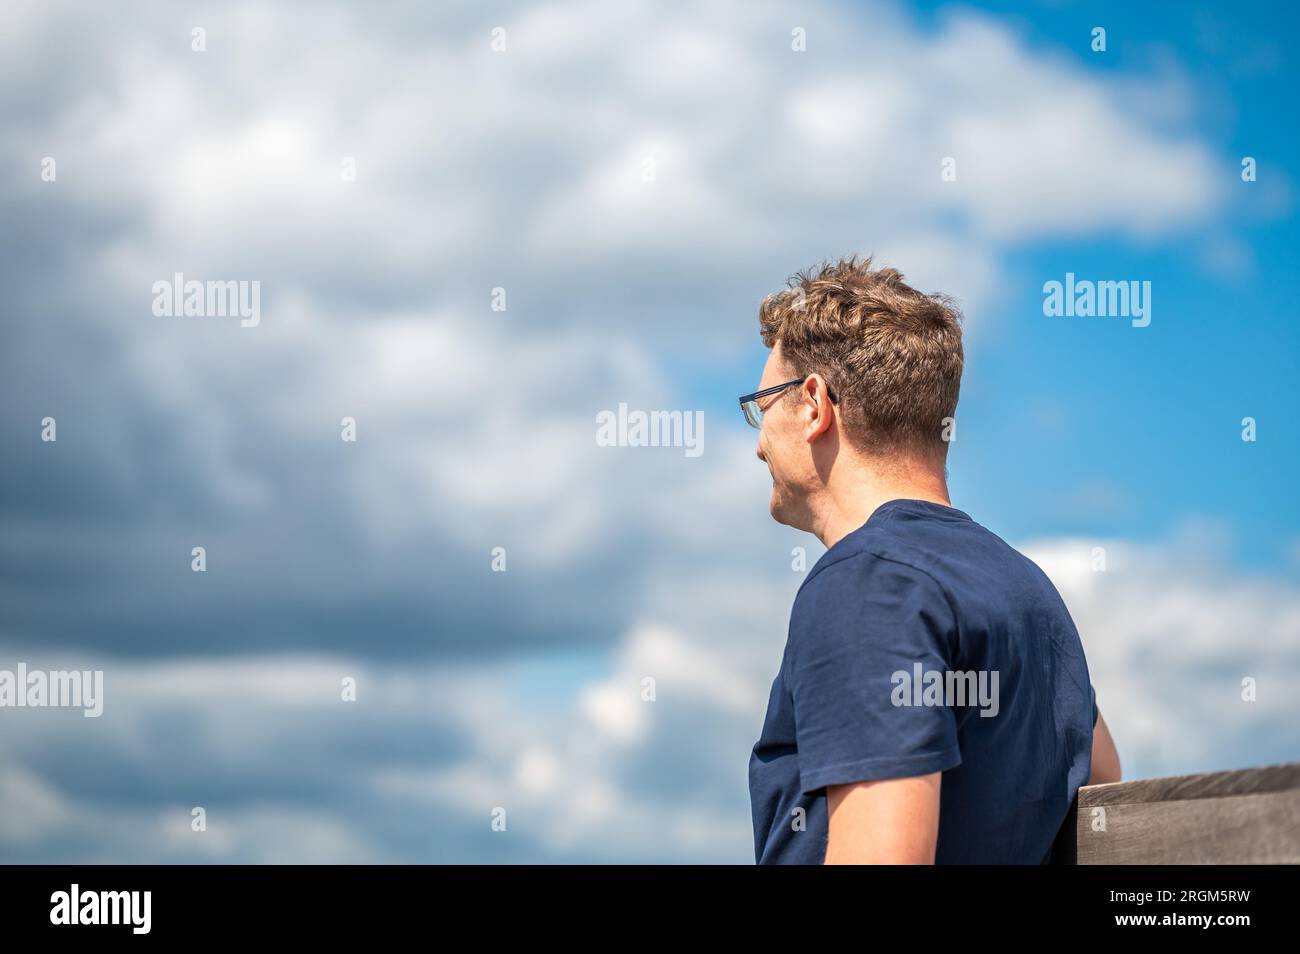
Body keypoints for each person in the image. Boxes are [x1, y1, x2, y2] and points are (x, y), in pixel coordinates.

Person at [744, 256, 1121, 864]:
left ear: (813, 404)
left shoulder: (867, 583)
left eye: (761, 404)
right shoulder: (1027, 587)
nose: (758, 442)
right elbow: (1102, 775)